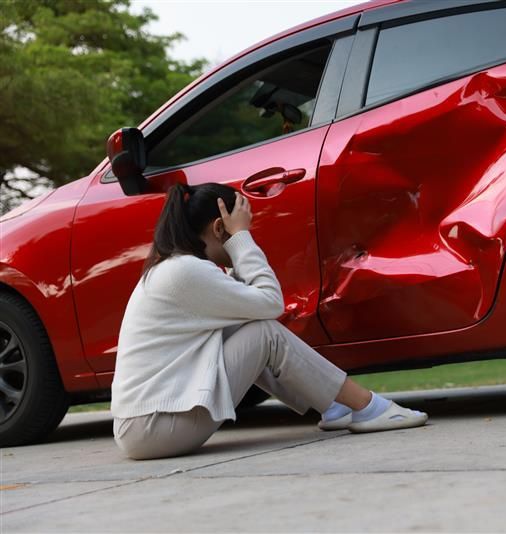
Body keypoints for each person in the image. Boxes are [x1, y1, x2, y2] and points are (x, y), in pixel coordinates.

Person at [110, 182, 427, 460]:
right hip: (155, 428)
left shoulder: (176, 268)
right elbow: (270, 303)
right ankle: (366, 407)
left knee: (247, 327)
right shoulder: (186, 271)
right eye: (237, 231)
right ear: (220, 229)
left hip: (146, 427)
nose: (243, 239)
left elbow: (249, 308)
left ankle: (334, 406)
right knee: (264, 333)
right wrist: (242, 240)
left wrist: (237, 246)